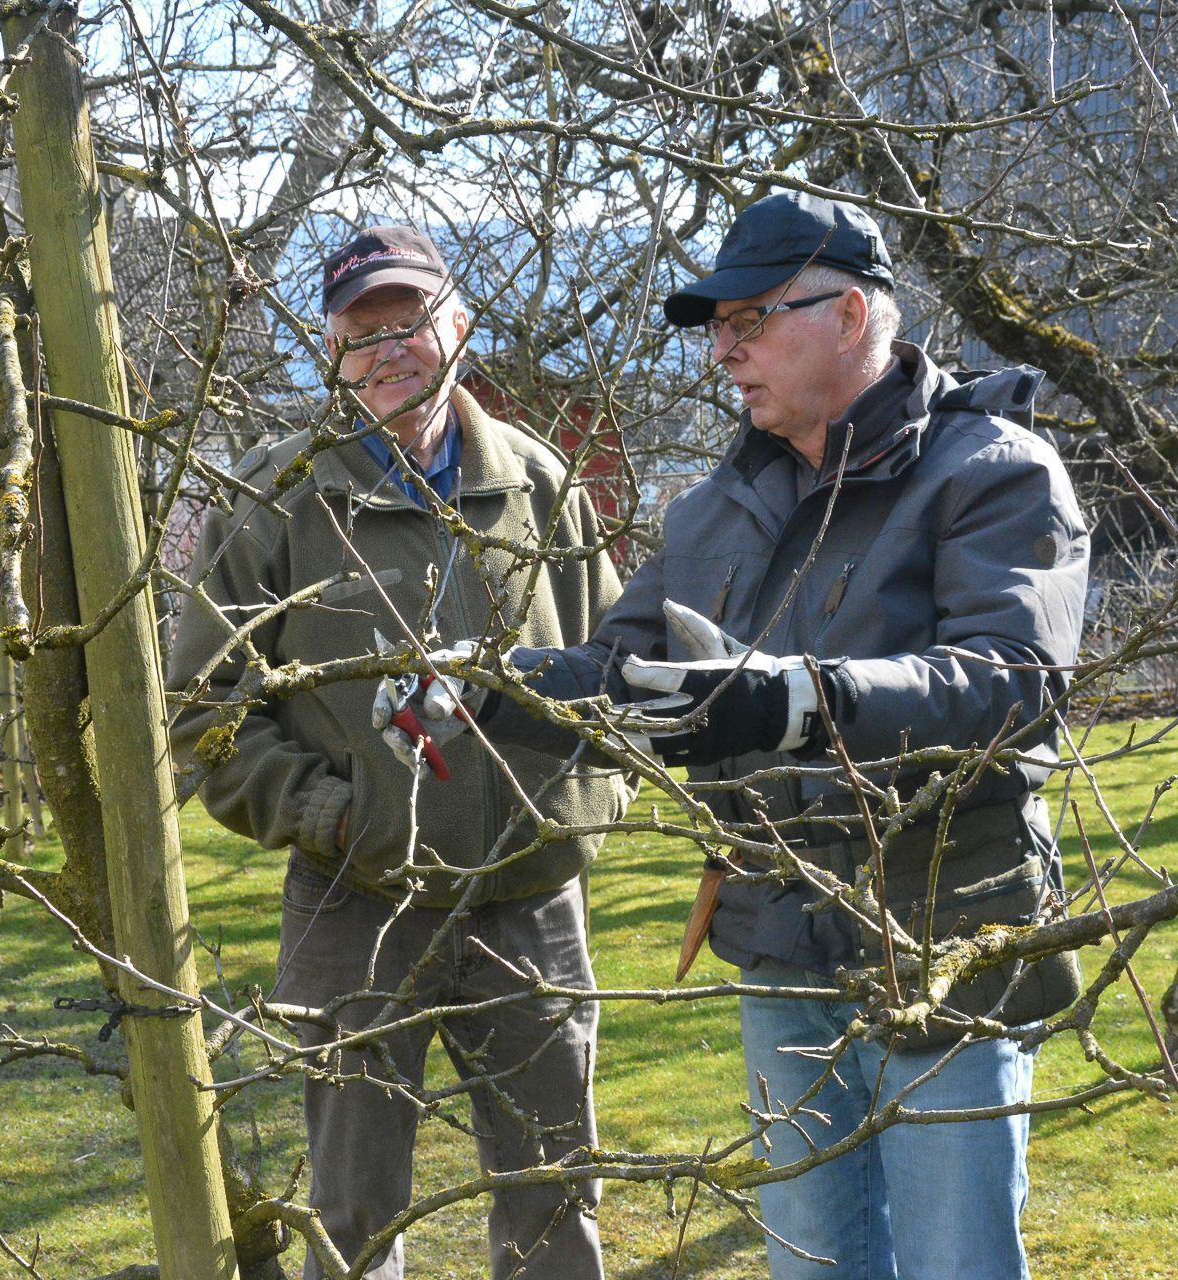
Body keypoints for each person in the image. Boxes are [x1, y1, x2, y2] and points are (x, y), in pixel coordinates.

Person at [386, 193, 1090, 1278]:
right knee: (810, 1265)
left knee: (958, 1262)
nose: (724, 351)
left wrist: (803, 700)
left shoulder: (992, 471)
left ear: (850, 313)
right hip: (777, 942)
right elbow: (622, 671)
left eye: (749, 320)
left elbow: (1009, 685)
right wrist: (490, 685)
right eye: (717, 326)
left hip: (943, 937)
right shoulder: (718, 504)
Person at [165, 225, 629, 1280]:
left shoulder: (539, 485)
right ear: (328, 352)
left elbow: (615, 677)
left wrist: (567, 818)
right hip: (352, 904)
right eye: (359, 331)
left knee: (556, 1196)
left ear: (459, 325)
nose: (388, 350)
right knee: (353, 1210)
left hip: (529, 908)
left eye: (409, 319)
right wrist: (337, 817)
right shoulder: (278, 496)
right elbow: (206, 708)